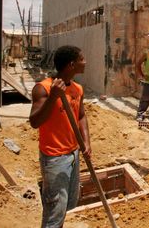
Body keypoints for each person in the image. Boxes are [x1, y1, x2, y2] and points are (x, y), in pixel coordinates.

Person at [29, 45, 90, 228]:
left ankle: (49, 197)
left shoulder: (78, 89)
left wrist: (86, 142)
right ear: (72, 64)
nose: (85, 62)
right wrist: (53, 97)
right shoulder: (44, 88)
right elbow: (34, 121)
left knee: (68, 204)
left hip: (73, 154)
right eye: (82, 58)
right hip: (54, 158)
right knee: (55, 212)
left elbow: (80, 115)